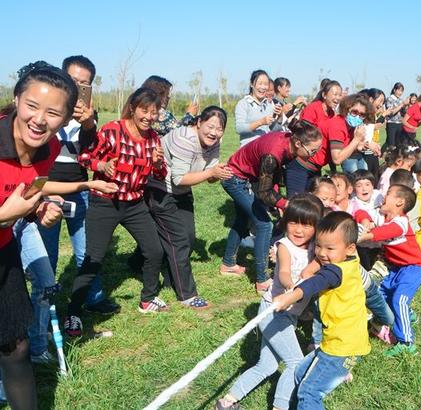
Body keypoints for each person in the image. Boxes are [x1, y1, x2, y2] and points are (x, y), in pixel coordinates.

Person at [0, 61, 74, 410]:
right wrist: (5, 216)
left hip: (3, 250)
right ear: (16, 100)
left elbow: (29, 190)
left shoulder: (51, 148)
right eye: (32, 106)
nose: (40, 119)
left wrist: (38, 208)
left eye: (53, 112)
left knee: (16, 346)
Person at [65, 87, 168, 336]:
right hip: (105, 203)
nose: (148, 117)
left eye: (154, 113)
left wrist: (157, 164)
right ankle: (73, 314)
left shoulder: (154, 138)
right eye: (144, 110)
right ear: (133, 108)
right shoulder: (113, 130)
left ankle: (148, 299)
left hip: (134, 205)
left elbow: (160, 174)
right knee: (93, 259)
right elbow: (85, 157)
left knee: (155, 250)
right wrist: (103, 165)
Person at [216, 195, 324, 410]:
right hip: (273, 311)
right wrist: (291, 287)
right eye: (294, 222)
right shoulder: (284, 246)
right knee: (295, 362)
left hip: (290, 315)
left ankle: (226, 403)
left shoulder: (315, 249)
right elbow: (283, 271)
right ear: (285, 221)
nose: (299, 230)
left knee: (267, 365)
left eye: (307, 224)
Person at [38, 55, 120, 318]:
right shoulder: (45, 109)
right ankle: (44, 306)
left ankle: (93, 297)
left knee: (87, 249)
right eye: (73, 80)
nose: (78, 86)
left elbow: (90, 150)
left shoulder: (88, 115)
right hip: (47, 190)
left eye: (85, 83)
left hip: (79, 188)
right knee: (47, 254)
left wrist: (88, 122)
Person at [273, 212, 370, 410]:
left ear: (349, 248)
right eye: (318, 246)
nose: (322, 253)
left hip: (342, 348)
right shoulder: (350, 260)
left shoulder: (335, 271)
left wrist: (289, 297)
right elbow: (321, 267)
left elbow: (316, 282)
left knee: (309, 393)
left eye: (329, 248)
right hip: (342, 342)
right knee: (300, 373)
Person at [145, 106, 233, 309]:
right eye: (210, 126)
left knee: (188, 237)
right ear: (198, 122)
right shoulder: (185, 139)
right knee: (179, 241)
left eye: (219, 129)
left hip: (183, 193)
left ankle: (158, 273)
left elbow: (208, 175)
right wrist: (211, 173)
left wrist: (218, 172)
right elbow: (179, 178)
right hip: (161, 191)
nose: (214, 132)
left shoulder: (214, 142)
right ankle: (187, 295)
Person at [221, 121, 323, 293]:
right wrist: (285, 203)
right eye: (312, 151)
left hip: (245, 178)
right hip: (235, 179)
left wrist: (278, 200)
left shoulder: (289, 142)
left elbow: (273, 176)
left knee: (242, 219)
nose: (313, 155)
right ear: (299, 143)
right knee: (264, 225)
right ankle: (262, 280)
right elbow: (263, 192)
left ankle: (228, 264)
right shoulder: (272, 153)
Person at [356, 184, 421, 356]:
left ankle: (406, 342)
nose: (382, 196)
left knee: (399, 300)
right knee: (382, 296)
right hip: (396, 269)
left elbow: (386, 232)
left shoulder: (401, 222)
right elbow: (360, 212)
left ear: (399, 202)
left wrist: (365, 236)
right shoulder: (382, 217)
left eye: (388, 193)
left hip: (413, 268)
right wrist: (365, 220)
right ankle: (408, 315)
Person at [285, 81, 342, 196]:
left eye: (339, 95)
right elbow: (303, 133)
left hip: (316, 167)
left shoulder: (332, 114)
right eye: (334, 94)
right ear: (324, 95)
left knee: (313, 201)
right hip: (301, 164)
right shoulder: (313, 108)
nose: (337, 98)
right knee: (296, 202)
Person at [318, 93, 375, 175]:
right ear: (346, 109)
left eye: (362, 115)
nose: (357, 117)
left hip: (316, 166)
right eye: (354, 112)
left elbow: (344, 149)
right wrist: (356, 140)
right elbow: (337, 159)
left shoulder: (350, 127)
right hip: (305, 164)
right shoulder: (337, 125)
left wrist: (357, 147)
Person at [235, 70, 282, 147]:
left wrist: (279, 117)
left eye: (266, 84)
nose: (263, 87)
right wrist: (260, 122)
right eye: (260, 83)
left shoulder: (269, 105)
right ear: (251, 84)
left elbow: (273, 130)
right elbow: (239, 129)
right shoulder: (243, 103)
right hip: (248, 150)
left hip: (265, 149)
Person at [384, 82, 409, 151]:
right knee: (391, 145)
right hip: (392, 123)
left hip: (399, 123)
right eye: (399, 90)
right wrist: (402, 105)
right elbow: (391, 112)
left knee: (399, 144)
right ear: (394, 90)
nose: (400, 93)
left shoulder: (401, 100)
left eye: (402, 91)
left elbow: (403, 113)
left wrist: (405, 106)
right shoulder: (389, 99)